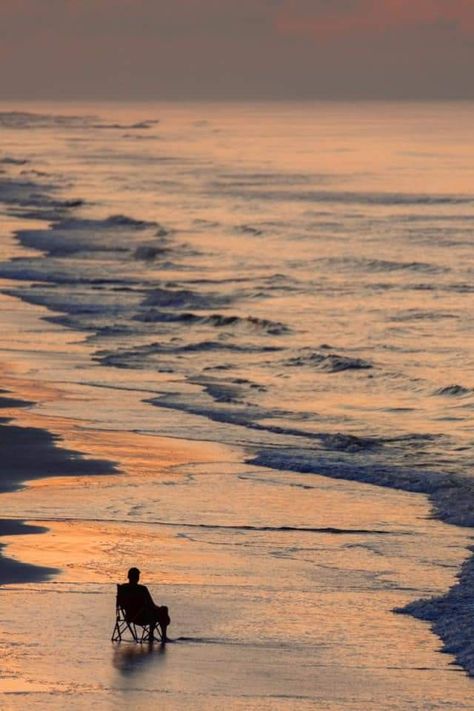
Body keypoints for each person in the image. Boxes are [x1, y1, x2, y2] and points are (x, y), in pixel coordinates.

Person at [120, 567, 170, 642]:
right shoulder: (142, 589)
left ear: (128, 577)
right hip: (143, 617)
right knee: (162, 610)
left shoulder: (122, 588)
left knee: (154, 611)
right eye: (137, 576)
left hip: (129, 616)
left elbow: (120, 605)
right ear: (137, 578)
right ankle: (161, 636)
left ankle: (152, 635)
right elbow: (151, 604)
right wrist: (160, 609)